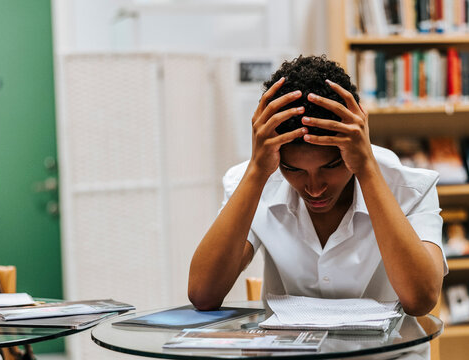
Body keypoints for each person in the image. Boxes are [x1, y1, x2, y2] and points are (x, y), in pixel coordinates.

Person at [188, 55, 447, 316]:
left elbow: (421, 300)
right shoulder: (255, 181)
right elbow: (203, 294)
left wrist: (366, 168)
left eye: (331, 166)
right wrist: (256, 171)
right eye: (294, 170)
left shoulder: (411, 188)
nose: (314, 188)